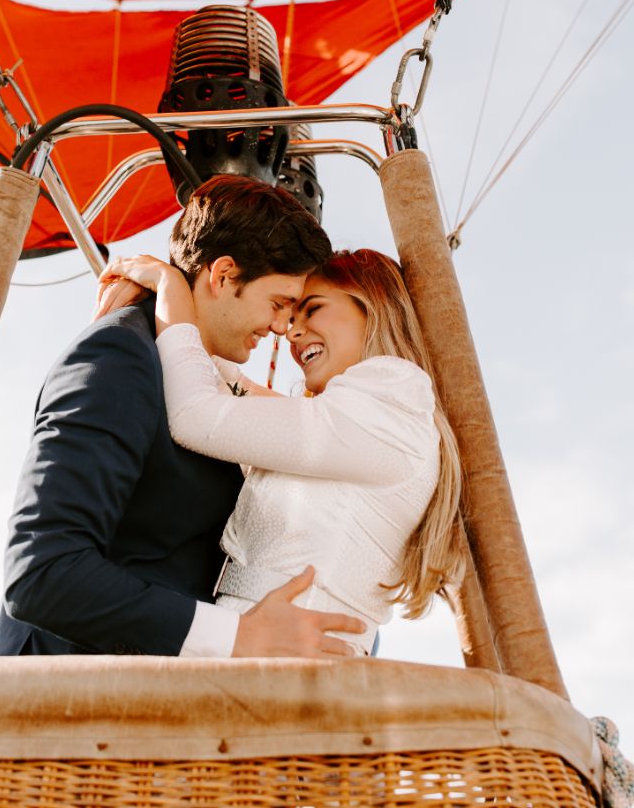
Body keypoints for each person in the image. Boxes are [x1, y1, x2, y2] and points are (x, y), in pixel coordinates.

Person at [0, 174, 368, 659]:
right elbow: (42, 573)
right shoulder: (119, 355)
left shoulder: (201, 377)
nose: (279, 328)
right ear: (224, 274)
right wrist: (239, 636)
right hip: (55, 710)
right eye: (277, 304)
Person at [102, 247, 463, 656]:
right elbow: (249, 407)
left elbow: (197, 416)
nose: (291, 332)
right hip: (268, 660)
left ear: (373, 305)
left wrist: (172, 291)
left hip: (297, 670)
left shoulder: (392, 395)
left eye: (312, 310)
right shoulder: (351, 421)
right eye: (292, 317)